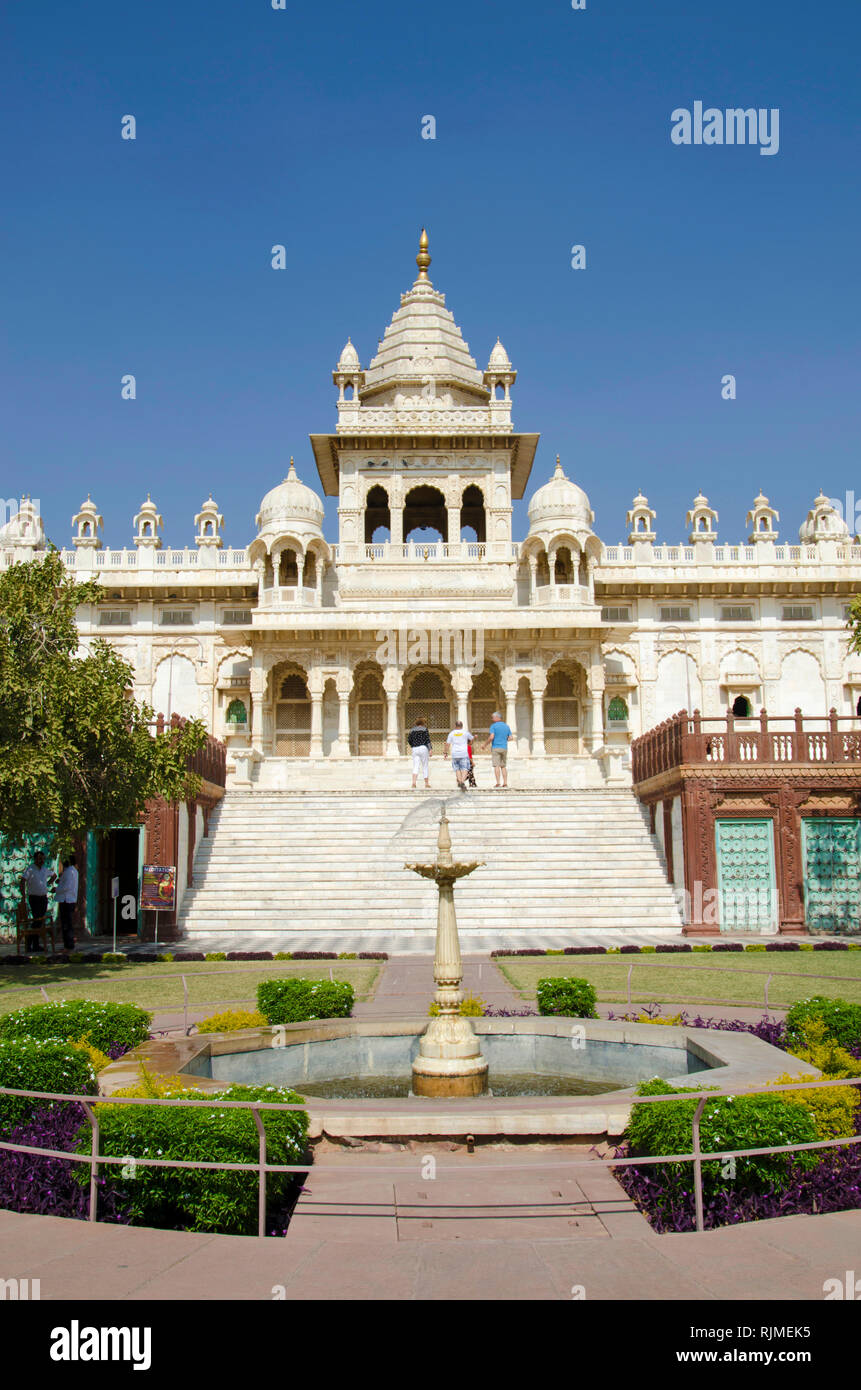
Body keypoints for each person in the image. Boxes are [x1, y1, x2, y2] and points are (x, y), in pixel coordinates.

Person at [20, 850, 54, 952]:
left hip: (43, 898)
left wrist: (48, 883)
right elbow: (22, 880)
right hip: (34, 898)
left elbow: (54, 875)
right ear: (35, 859)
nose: (41, 860)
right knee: (37, 920)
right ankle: (30, 944)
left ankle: (34, 945)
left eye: (43, 859)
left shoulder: (44, 869)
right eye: (39, 858)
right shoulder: (30, 869)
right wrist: (23, 895)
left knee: (39, 921)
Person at [55, 853, 79, 951]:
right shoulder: (73, 871)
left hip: (66, 900)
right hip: (70, 900)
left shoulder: (69, 871)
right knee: (67, 923)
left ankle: (68, 945)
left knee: (66, 924)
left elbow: (66, 887)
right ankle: (68, 944)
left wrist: (56, 889)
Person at [482, 710, 513, 788]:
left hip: (496, 747)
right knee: (503, 766)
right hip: (504, 748)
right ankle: (505, 783)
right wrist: (504, 740)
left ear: (497, 717)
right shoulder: (506, 726)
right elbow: (511, 738)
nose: (492, 719)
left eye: (493, 717)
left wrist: (485, 744)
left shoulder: (493, 726)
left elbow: (491, 737)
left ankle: (498, 783)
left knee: (496, 766)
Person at [445, 719, 473, 791]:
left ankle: (460, 782)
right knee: (465, 768)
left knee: (457, 769)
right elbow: (471, 738)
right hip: (463, 753)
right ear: (462, 726)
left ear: (455, 726)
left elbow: (447, 744)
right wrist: (469, 743)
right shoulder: (465, 732)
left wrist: (445, 752)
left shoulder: (451, 733)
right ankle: (462, 782)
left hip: (455, 754)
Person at [407, 716, 432, 789]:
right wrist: (430, 749)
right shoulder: (424, 729)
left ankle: (414, 783)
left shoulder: (412, 730)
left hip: (415, 748)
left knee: (415, 766)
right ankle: (426, 783)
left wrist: (413, 745)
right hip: (423, 748)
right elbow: (427, 740)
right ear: (423, 723)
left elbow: (409, 740)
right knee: (425, 766)